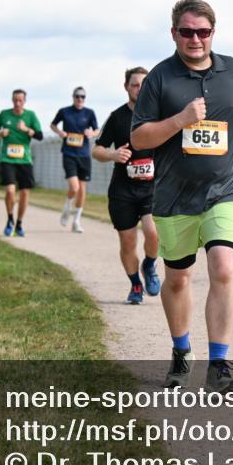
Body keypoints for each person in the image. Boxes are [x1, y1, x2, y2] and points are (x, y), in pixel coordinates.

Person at [130, 0, 233, 395]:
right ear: (174, 33)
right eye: (187, 31)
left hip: (225, 190)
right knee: (178, 278)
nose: (195, 39)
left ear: (213, 33)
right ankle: (181, 351)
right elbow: (139, 138)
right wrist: (180, 120)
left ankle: (219, 364)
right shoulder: (159, 78)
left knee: (223, 268)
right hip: (174, 197)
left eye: (202, 32)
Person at [93, 67, 162, 305]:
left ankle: (150, 264)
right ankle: (135, 284)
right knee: (128, 242)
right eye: (135, 84)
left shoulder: (158, 115)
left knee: (153, 232)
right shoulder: (116, 117)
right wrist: (113, 155)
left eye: (144, 84)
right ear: (126, 87)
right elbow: (97, 150)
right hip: (123, 190)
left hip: (152, 187)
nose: (139, 89)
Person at [0, 89, 43, 237]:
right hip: (7, 159)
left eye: (20, 100)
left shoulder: (31, 115)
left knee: (25, 193)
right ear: (12, 100)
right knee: (10, 191)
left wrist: (27, 129)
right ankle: (9, 219)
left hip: (24, 160)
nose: (17, 103)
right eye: (15, 100)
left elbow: (39, 136)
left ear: (24, 101)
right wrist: (0, 133)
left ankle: (19, 223)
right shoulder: (4, 114)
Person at [51, 87, 99, 233]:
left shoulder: (89, 113)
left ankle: (76, 221)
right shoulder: (64, 111)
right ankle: (67, 207)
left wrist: (91, 133)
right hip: (69, 153)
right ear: (73, 97)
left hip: (84, 154)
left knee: (82, 189)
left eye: (83, 97)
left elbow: (97, 130)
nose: (80, 99)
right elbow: (53, 125)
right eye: (77, 96)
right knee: (74, 187)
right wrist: (60, 132)